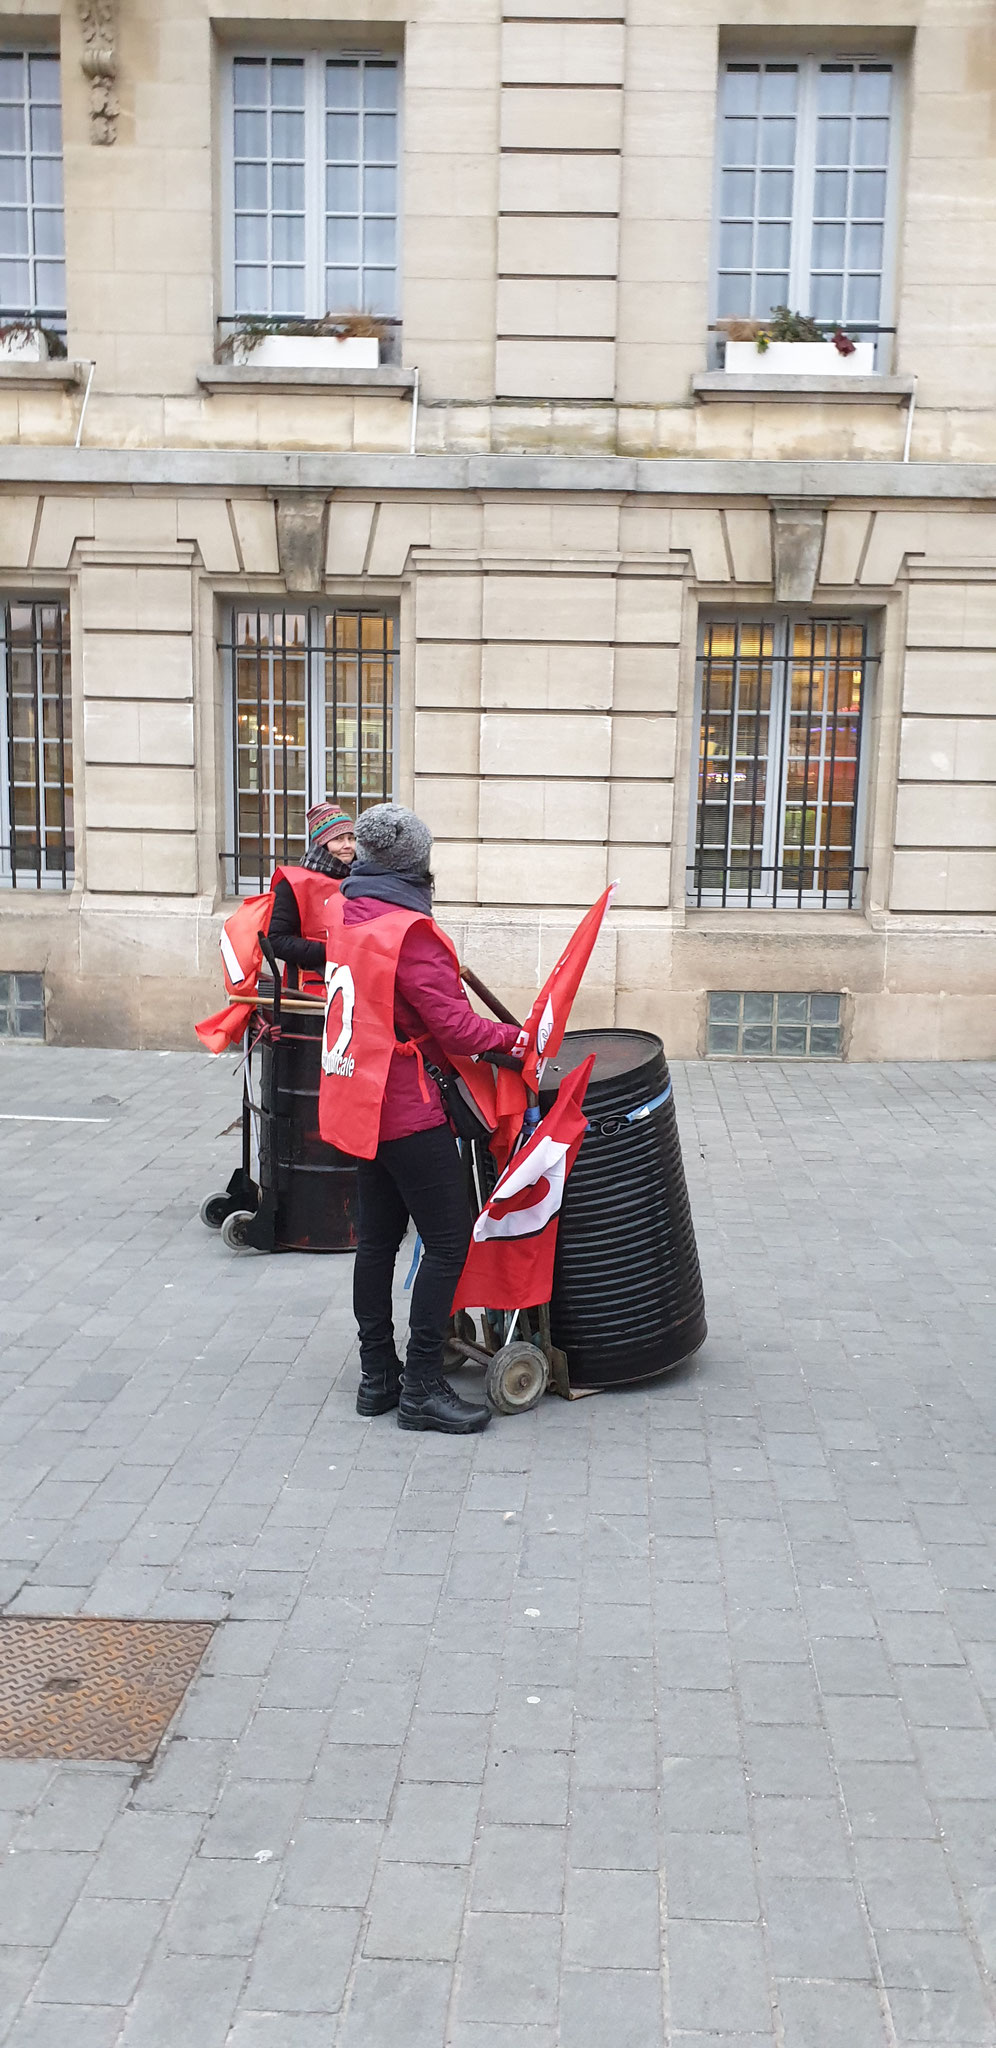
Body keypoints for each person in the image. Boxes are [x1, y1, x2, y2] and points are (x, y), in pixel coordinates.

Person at [338, 803, 522, 1434]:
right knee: (449, 1238)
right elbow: (452, 1025)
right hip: (405, 1102)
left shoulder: (349, 910)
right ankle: (421, 1386)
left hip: (357, 1096)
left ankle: (376, 1378)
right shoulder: (409, 931)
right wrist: (518, 1043)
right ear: (417, 865)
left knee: (379, 1241)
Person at [268, 803, 356, 989]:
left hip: (354, 986)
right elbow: (275, 939)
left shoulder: (362, 879)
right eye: (339, 839)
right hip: (307, 991)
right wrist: (331, 951)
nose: (348, 846)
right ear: (322, 843)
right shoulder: (293, 884)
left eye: (351, 838)